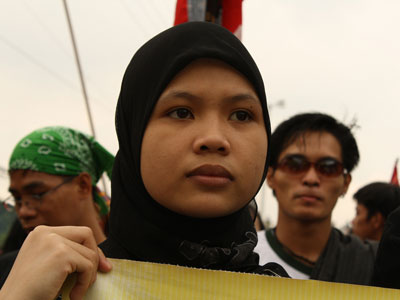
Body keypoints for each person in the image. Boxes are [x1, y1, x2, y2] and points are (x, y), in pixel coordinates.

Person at [0, 22, 288, 300]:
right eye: (181, 112)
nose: (214, 139)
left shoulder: (289, 291)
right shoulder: (54, 286)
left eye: (241, 115)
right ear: (132, 132)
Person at [254, 113, 377, 285]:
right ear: (270, 176)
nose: (311, 178)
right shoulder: (241, 259)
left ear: (346, 183)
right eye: (295, 164)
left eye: (328, 168)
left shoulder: (376, 267)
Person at [0, 126, 114, 289]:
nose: (24, 212)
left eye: (37, 194)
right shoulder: (9, 274)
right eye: (17, 199)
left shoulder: (136, 268)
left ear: (83, 185)